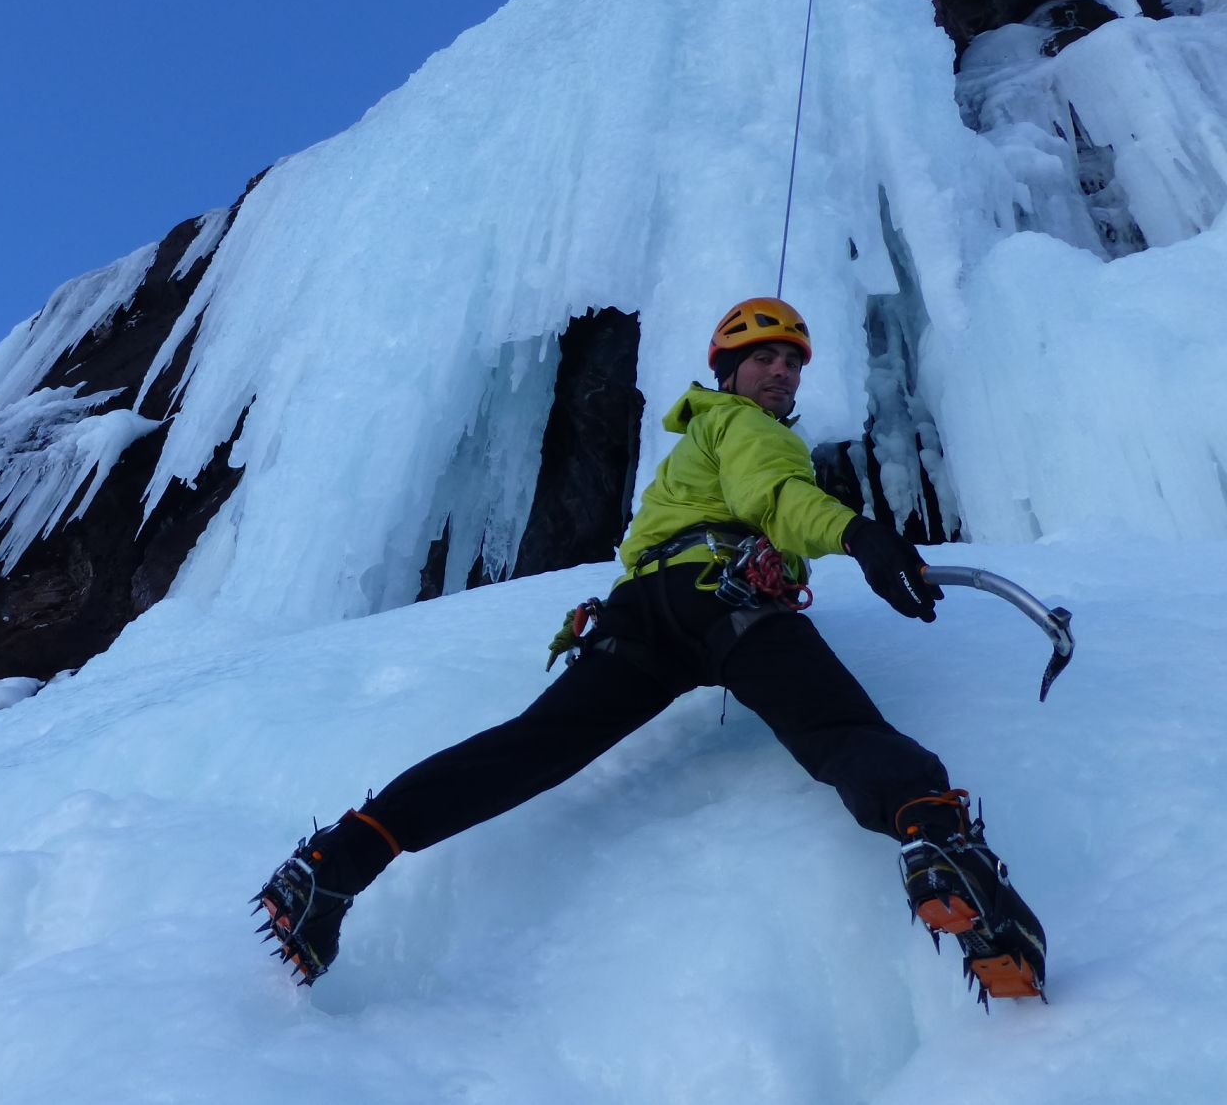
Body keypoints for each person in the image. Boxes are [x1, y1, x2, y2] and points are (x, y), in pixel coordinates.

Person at [255, 296, 1046, 1006]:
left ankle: (338, 863)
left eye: (791, 361)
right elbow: (775, 495)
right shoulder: (745, 428)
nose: (780, 372)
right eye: (763, 358)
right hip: (727, 601)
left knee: (533, 747)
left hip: (643, 616)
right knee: (838, 731)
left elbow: (657, 543)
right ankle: (942, 851)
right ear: (728, 373)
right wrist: (860, 534)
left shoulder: (694, 444)